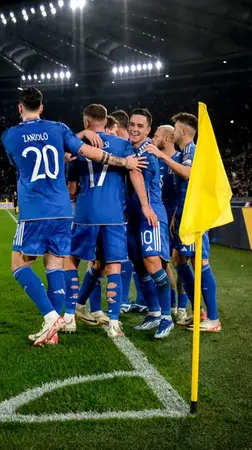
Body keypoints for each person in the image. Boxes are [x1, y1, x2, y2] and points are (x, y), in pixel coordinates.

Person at [1, 88, 145, 346]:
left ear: (20, 108)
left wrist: (81, 134)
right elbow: (88, 152)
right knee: (54, 266)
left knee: (19, 265)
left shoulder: (10, 135)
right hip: (62, 211)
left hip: (35, 210)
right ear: (42, 107)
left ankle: (51, 317)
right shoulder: (58, 129)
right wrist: (123, 162)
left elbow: (19, 163)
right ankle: (53, 332)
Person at [63, 104, 154, 338]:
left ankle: (70, 317)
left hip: (85, 214)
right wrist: (145, 205)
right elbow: (134, 172)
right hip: (114, 215)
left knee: (72, 261)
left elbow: (71, 188)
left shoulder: (78, 147)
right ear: (106, 121)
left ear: (86, 122)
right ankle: (114, 323)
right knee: (113, 266)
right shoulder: (123, 144)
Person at [146, 113, 222, 332]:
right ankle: (198, 311)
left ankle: (213, 319)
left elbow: (187, 174)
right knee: (178, 260)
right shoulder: (186, 151)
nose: (174, 132)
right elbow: (184, 189)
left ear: (184, 131)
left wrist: (162, 156)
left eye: (176, 128)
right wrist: (176, 215)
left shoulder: (191, 150)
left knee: (201, 264)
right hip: (183, 215)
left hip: (195, 216)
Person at [126, 109, 174, 339]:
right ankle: (154, 313)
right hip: (134, 216)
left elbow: (140, 181)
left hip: (151, 213)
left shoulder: (147, 152)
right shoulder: (130, 149)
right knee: (139, 265)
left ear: (147, 130)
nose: (135, 129)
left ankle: (167, 317)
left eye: (140, 126)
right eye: (132, 124)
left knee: (153, 263)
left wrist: (145, 207)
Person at [150, 125, 190, 324]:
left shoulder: (181, 159)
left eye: (156, 135)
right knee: (163, 262)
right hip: (159, 216)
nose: (153, 138)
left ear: (166, 138)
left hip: (178, 216)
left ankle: (182, 307)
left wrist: (178, 214)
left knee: (181, 262)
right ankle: (171, 304)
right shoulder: (154, 159)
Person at [109, 109, 146, 313]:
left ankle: (128, 300)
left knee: (133, 257)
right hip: (130, 209)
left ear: (117, 128)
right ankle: (140, 300)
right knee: (134, 256)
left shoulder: (130, 149)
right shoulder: (127, 148)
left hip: (136, 210)